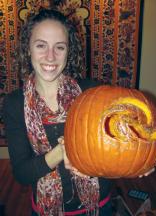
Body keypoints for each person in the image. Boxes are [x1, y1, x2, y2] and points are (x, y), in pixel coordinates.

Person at [3, 8, 113, 216]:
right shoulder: (14, 104)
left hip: (99, 207)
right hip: (46, 210)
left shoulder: (91, 92)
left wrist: (138, 163)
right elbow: (22, 173)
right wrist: (63, 151)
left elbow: (113, 147)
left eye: (59, 47)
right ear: (28, 49)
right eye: (41, 45)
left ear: (68, 51)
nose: (50, 57)